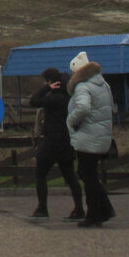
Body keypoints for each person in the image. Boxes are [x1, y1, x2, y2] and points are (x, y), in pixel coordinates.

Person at [66, 51, 116, 228]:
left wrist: (71, 121)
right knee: (89, 174)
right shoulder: (103, 84)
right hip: (102, 135)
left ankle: (95, 213)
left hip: (88, 136)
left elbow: (83, 107)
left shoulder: (82, 87)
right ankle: (104, 209)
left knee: (87, 175)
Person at [28, 67, 84, 220]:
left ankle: (42, 208)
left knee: (40, 174)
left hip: (52, 141)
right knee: (70, 176)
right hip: (67, 141)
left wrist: (46, 88)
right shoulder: (69, 96)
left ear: (51, 81)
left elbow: (33, 100)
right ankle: (79, 208)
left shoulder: (55, 98)